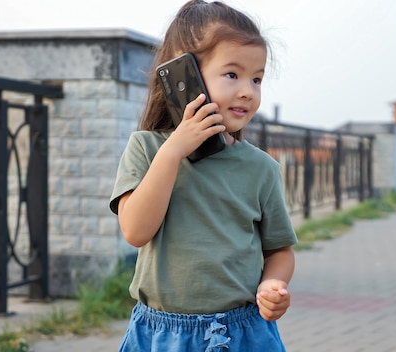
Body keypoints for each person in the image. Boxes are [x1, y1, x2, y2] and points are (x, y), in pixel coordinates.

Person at [109, 1, 297, 351]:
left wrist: (273, 285)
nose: (247, 91)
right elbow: (136, 231)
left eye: (257, 78)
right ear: (185, 75)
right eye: (232, 74)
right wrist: (173, 150)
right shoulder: (147, 150)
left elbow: (280, 250)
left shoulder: (261, 169)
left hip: (242, 332)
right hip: (162, 334)